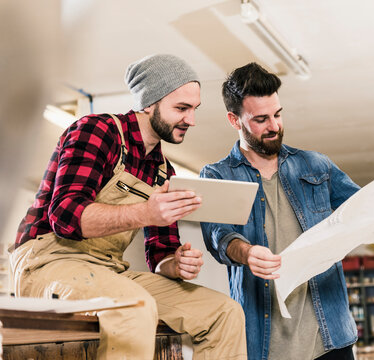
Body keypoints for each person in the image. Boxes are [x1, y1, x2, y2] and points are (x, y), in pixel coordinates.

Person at [199, 63, 374, 360]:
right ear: (234, 119)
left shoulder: (315, 166)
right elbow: (217, 235)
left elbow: (371, 209)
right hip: (262, 343)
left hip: (329, 337)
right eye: (260, 119)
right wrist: (246, 252)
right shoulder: (217, 175)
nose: (274, 126)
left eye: (278, 115)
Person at [10, 54, 247, 360]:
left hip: (109, 269)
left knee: (224, 312)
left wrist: (176, 264)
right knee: (133, 306)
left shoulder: (163, 170)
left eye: (194, 109)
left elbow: (160, 254)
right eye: (181, 108)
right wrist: (146, 212)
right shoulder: (97, 131)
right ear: (149, 103)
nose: (192, 120)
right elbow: (65, 216)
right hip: (47, 262)